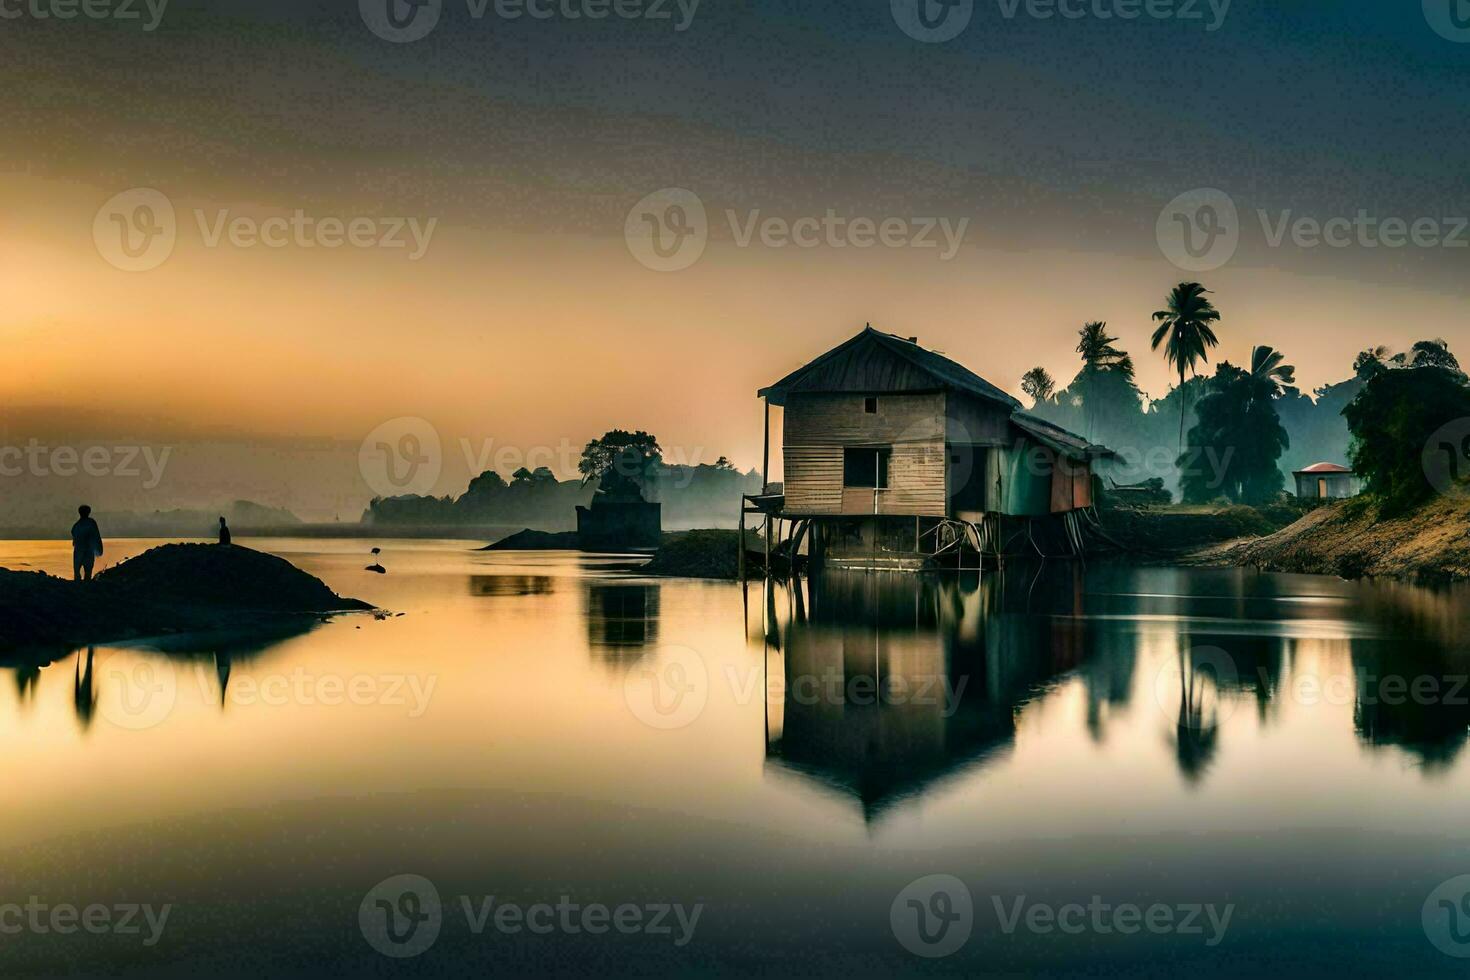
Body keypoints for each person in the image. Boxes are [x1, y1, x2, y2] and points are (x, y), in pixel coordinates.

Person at [71, 505, 104, 582]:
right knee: (87, 571)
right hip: (88, 550)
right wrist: (99, 549)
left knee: (77, 571)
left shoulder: (77, 525)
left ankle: (78, 585)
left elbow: (74, 537)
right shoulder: (91, 523)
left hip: (79, 551)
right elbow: (97, 536)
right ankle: (85, 585)